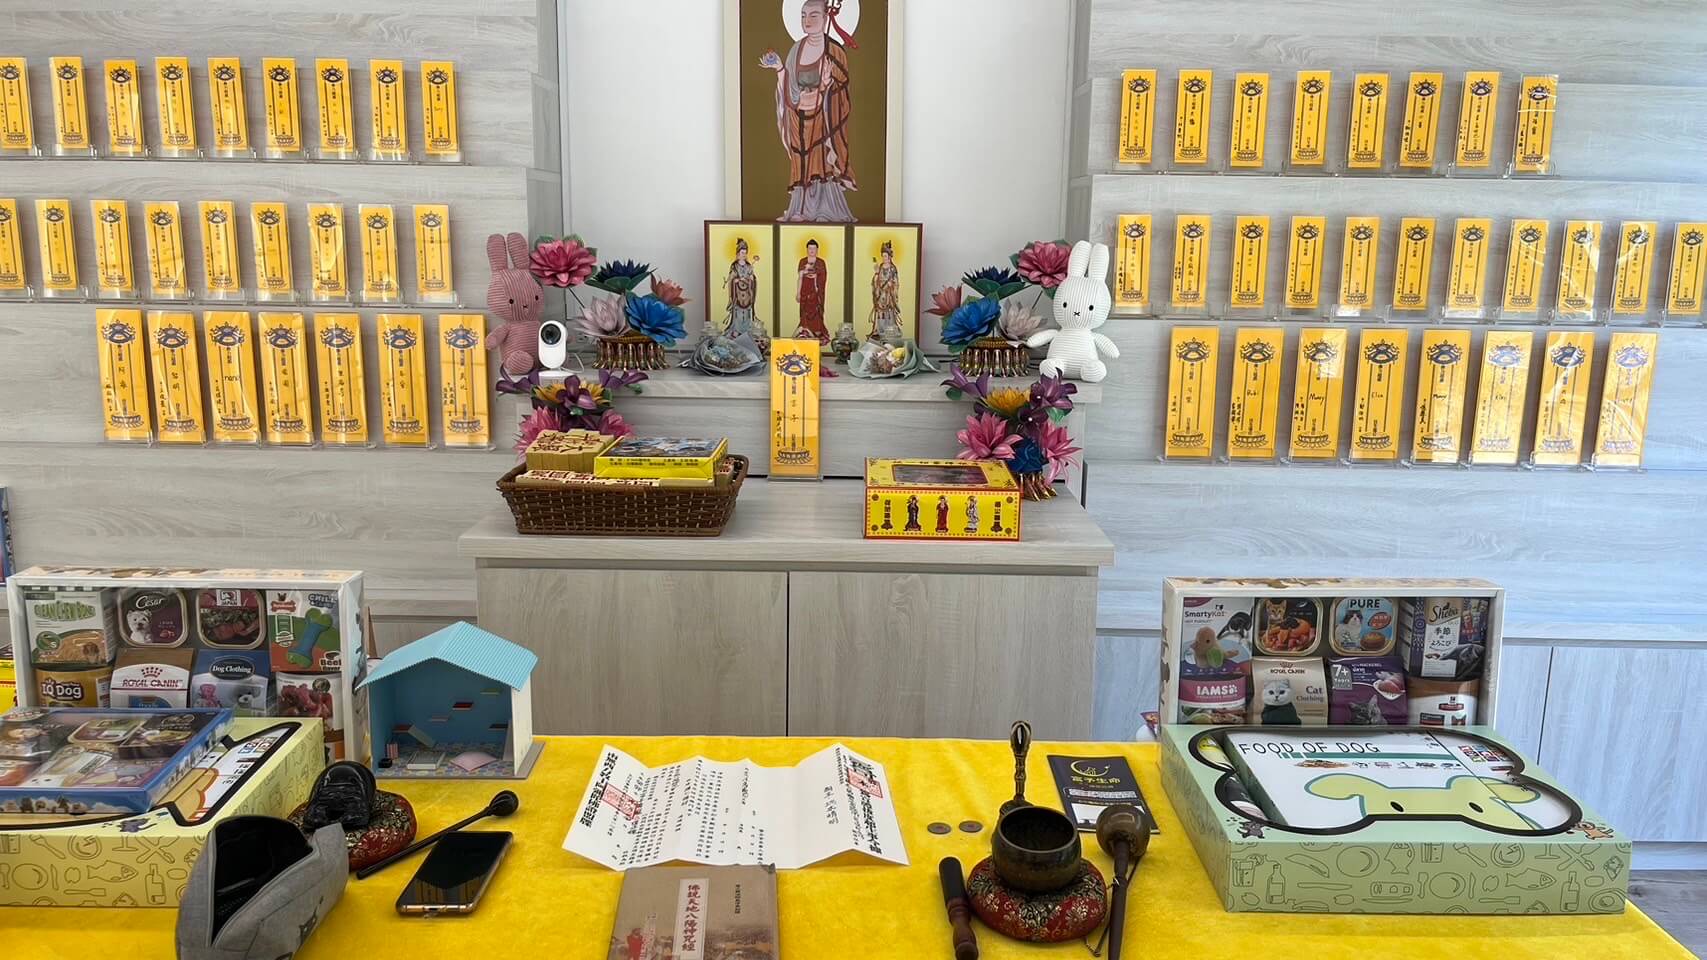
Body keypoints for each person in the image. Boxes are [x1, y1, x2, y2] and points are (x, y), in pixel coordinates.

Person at [761, 0, 857, 222]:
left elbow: (842, 86)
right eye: (803, 15)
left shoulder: (834, 51)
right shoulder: (796, 49)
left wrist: (827, 84)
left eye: (814, 15)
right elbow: (789, 87)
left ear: (826, 18)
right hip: (798, 117)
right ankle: (799, 209)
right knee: (801, 162)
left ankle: (825, 210)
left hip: (823, 117)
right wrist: (779, 68)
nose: (807, 20)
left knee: (820, 161)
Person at [723, 239, 762, 337]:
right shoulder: (734, 266)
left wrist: (751, 278)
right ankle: (736, 330)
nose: (744, 255)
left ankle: (747, 331)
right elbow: (731, 279)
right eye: (742, 253)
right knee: (738, 313)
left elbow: (752, 277)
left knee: (747, 313)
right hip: (738, 294)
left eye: (745, 253)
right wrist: (736, 280)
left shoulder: (749, 266)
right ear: (738, 253)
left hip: (747, 294)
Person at [795, 238, 829, 342]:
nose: (812, 251)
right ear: (807, 249)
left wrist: (816, 276)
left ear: (817, 250)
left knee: (817, 316)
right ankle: (805, 334)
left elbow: (823, 278)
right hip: (805, 292)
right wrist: (798, 293)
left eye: (814, 249)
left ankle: (816, 336)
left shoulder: (821, 262)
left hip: (816, 294)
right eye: (810, 248)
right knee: (804, 315)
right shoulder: (803, 261)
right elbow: (800, 277)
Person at [869, 241, 902, 342]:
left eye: (886, 256)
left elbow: (896, 282)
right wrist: (876, 274)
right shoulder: (880, 267)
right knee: (880, 312)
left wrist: (891, 286)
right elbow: (875, 280)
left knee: (889, 312)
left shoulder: (893, 269)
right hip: (880, 294)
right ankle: (879, 331)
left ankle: (889, 332)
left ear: (890, 257)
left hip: (889, 294)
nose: (884, 258)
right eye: (883, 256)